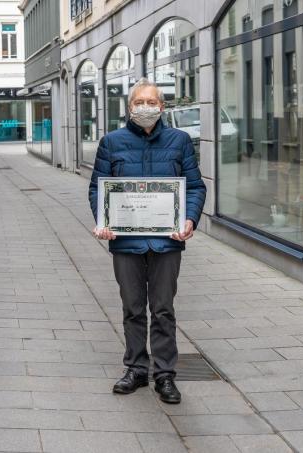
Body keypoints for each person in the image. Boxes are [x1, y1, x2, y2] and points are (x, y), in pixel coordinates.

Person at [88, 78, 206, 404]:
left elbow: (194, 186)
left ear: (161, 106)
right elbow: (99, 188)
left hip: (166, 241)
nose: (145, 108)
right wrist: (103, 221)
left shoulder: (179, 141)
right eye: (139, 102)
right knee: (133, 308)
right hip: (126, 242)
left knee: (164, 309)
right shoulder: (111, 142)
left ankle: (165, 375)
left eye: (151, 102)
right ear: (129, 107)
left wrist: (190, 218)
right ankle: (136, 368)